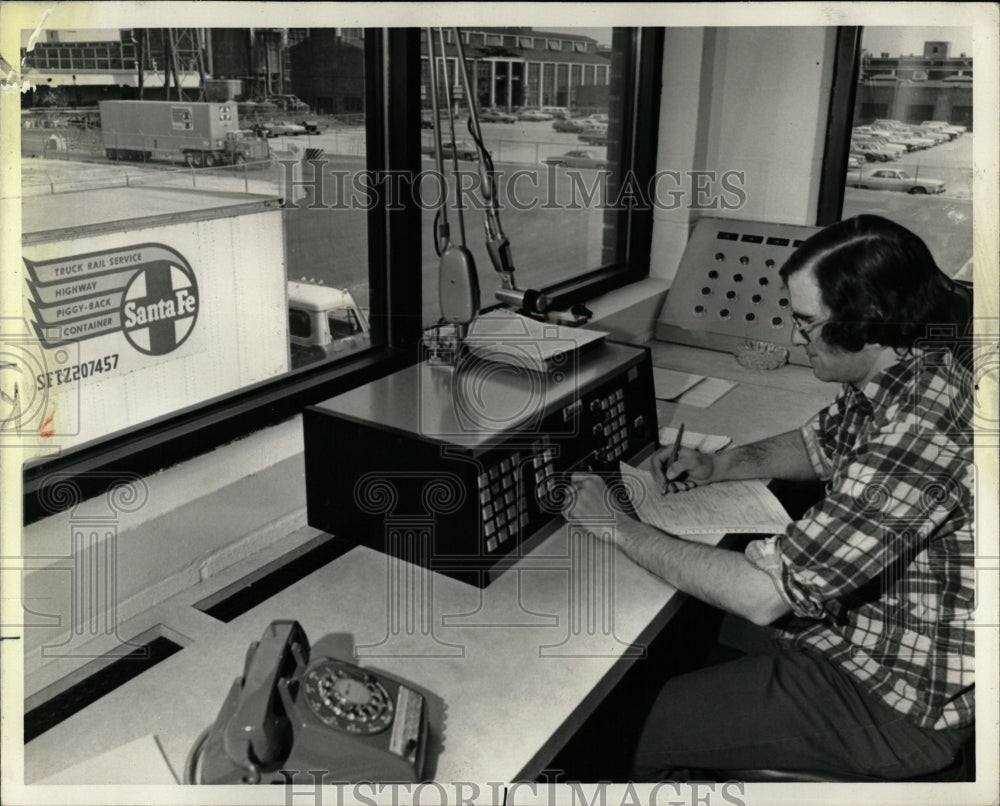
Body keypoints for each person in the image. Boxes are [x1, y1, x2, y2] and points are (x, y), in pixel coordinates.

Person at [563, 214, 975, 780]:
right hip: (857, 634)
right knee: (677, 636)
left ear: (867, 322)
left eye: (806, 323)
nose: (795, 338)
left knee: (615, 727)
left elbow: (763, 596)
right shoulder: (900, 370)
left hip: (894, 702)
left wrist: (614, 525)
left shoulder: (921, 429)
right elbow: (817, 444)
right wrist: (719, 463)